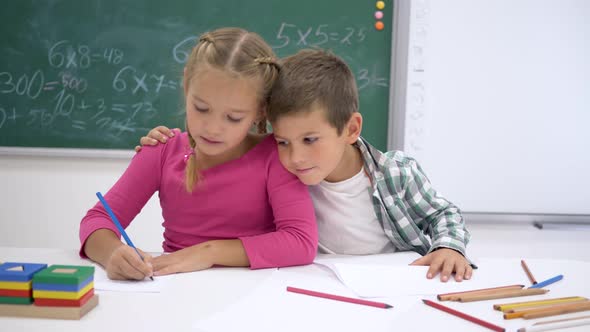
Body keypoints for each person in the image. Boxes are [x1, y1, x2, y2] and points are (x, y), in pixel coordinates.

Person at [138, 49, 473, 282]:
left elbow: (443, 215)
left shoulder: (395, 173)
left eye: (310, 140)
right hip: (313, 288)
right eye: (283, 141)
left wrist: (448, 246)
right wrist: (171, 140)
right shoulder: (284, 176)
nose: (295, 157)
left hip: (390, 285)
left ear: (351, 129)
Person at [80, 28, 318, 281]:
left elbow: (301, 242)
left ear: (260, 111)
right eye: (201, 108)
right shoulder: (161, 151)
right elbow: (98, 220)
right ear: (186, 85)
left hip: (255, 295)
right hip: (177, 292)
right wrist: (112, 253)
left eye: (233, 118)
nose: (213, 128)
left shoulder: (274, 156)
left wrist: (210, 252)